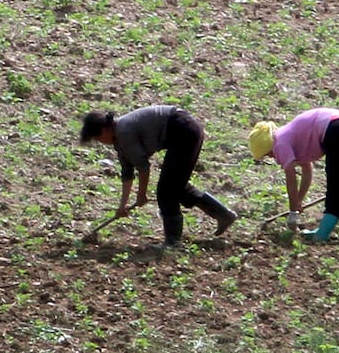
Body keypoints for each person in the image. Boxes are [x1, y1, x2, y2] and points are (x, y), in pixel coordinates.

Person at [78, 106, 237, 248]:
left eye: (98, 138)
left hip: (184, 131)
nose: (100, 142)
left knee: (166, 191)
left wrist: (141, 195)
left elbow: (143, 168)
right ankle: (224, 215)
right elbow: (127, 173)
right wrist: (122, 206)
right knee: (176, 186)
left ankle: (172, 242)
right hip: (183, 132)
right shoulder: (119, 140)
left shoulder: (124, 133)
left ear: (105, 130)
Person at [249, 108, 339, 242]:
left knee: (338, 190)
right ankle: (336, 232)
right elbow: (307, 169)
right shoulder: (288, 136)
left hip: (337, 132)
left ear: (269, 147)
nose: (271, 157)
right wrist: (298, 201)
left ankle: (337, 235)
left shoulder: (280, 143)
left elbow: (291, 178)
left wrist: (293, 211)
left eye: (268, 154)